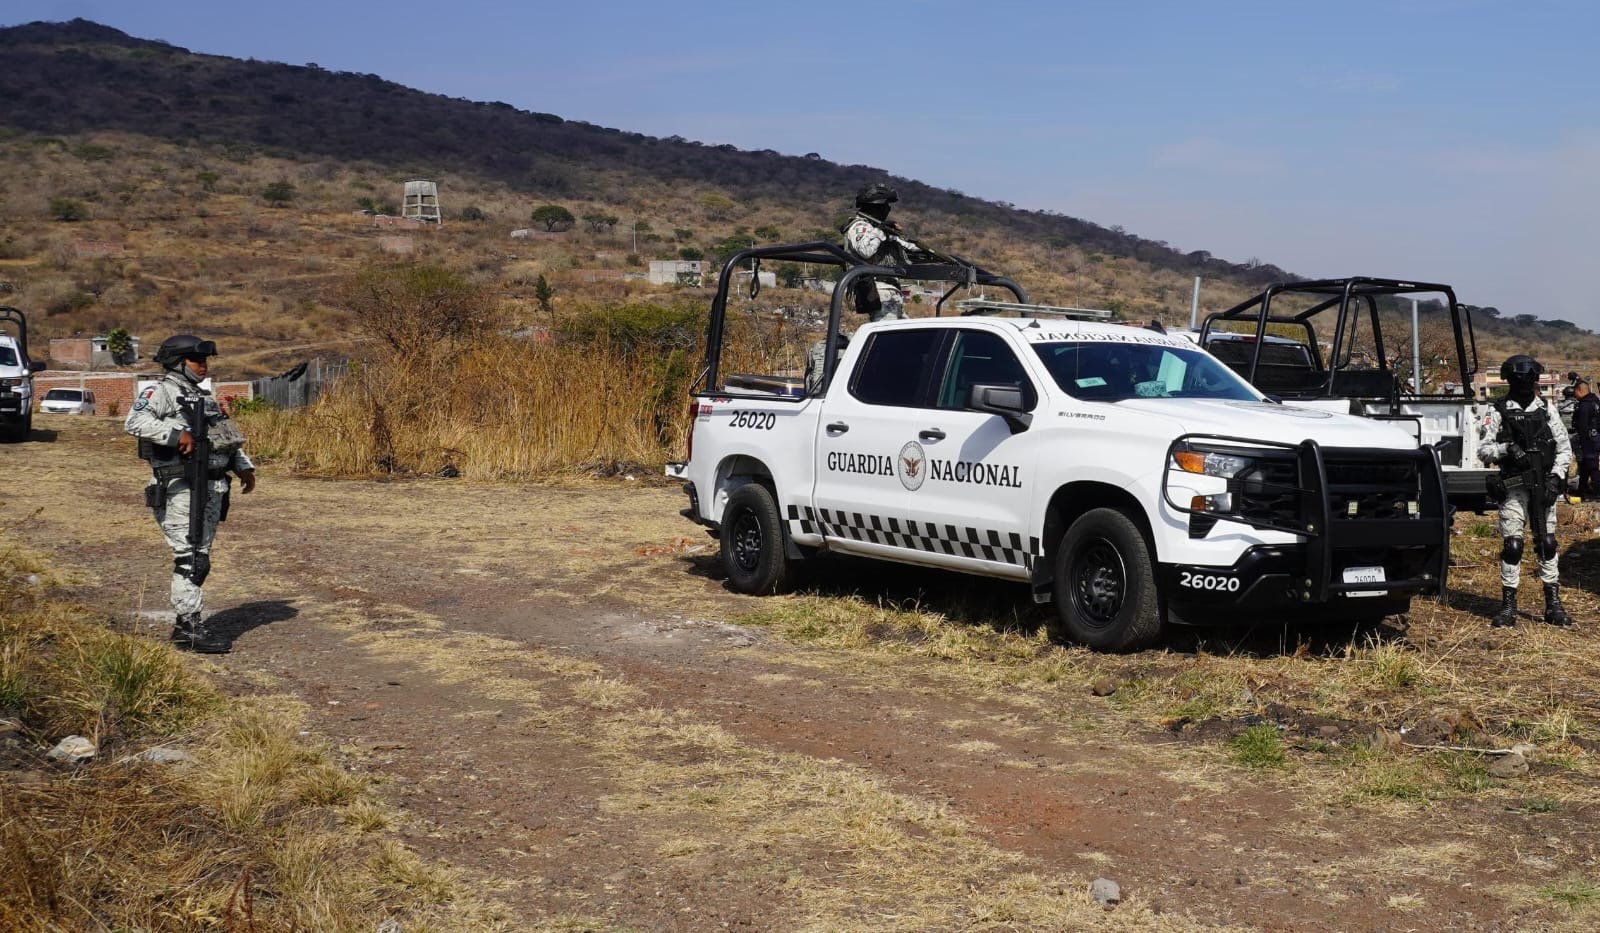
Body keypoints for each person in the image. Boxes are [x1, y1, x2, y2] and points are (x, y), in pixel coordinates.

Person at [125, 334, 257, 653]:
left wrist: (243, 466)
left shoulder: (202, 396)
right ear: (178, 362)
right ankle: (189, 629)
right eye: (197, 361)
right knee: (191, 559)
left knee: (200, 557)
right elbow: (135, 421)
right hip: (181, 488)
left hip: (212, 487)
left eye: (205, 361)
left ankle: (186, 626)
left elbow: (224, 438)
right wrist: (174, 435)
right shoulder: (163, 391)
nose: (204, 366)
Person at [1479, 355, 1572, 627]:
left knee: (1547, 543)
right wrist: (1507, 449)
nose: (1527, 385)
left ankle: (1553, 604)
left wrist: (1556, 478)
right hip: (1514, 486)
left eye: (1530, 379)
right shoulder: (1497, 411)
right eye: (1521, 380)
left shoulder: (1547, 410)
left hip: (1543, 484)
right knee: (1513, 545)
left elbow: (1564, 449)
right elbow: (1484, 451)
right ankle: (1508, 606)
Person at [805, 184, 924, 393]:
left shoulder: (879, 228)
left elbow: (910, 252)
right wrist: (881, 231)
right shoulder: (860, 227)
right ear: (875, 206)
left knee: (904, 336)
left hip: (891, 289)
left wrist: (921, 250)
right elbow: (866, 249)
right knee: (886, 340)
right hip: (878, 288)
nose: (887, 209)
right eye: (885, 205)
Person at [1572, 378, 1600, 500]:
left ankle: (1598, 490)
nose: (1574, 395)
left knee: (1591, 466)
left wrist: (1579, 445)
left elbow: (1582, 427)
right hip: (1595, 439)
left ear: (1580, 390)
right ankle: (1582, 489)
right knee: (1585, 466)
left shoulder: (1584, 406)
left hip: (1588, 441)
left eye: (1575, 392)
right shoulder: (1595, 402)